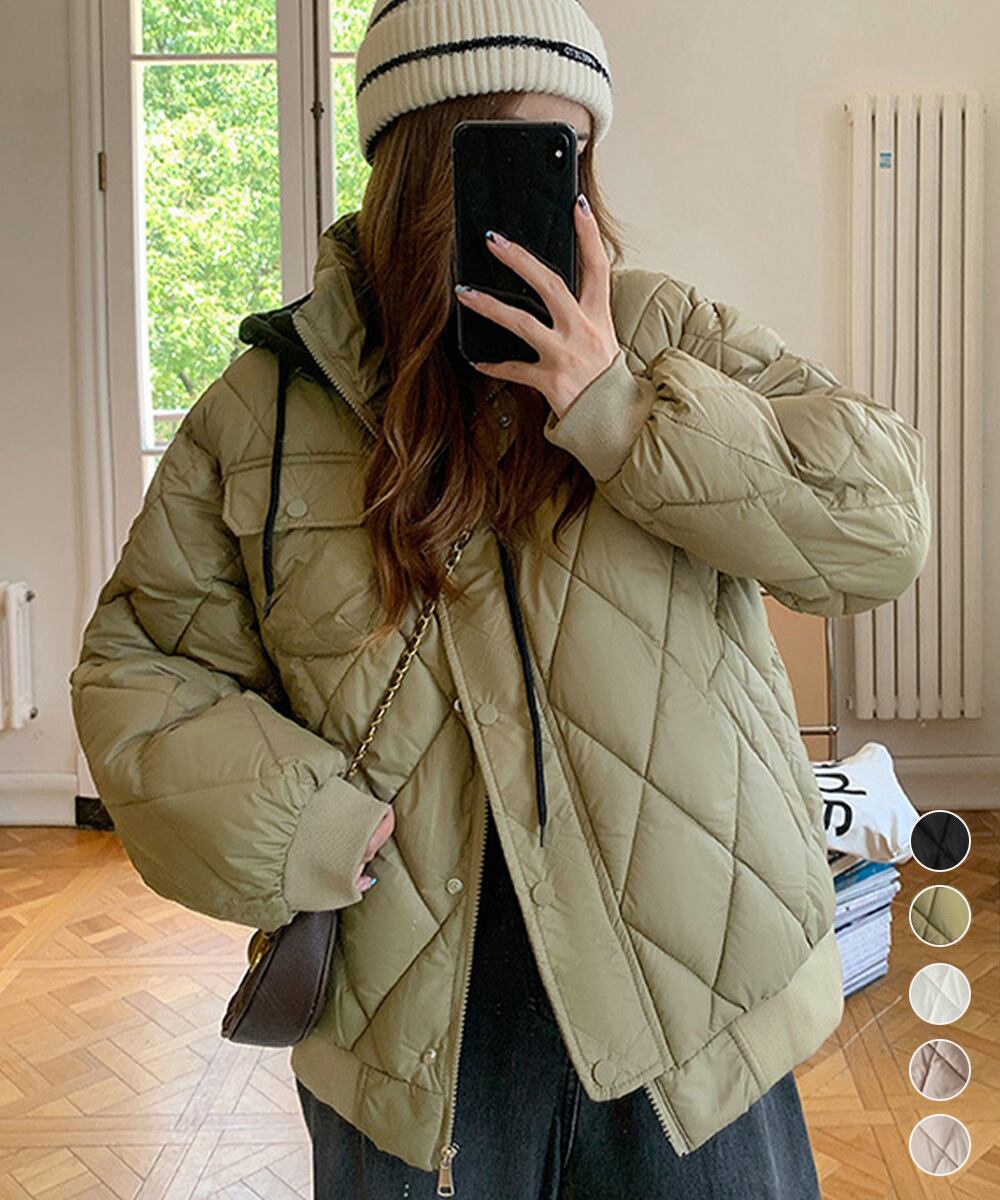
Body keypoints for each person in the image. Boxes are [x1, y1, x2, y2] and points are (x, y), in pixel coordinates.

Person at [69, 1, 931, 1197]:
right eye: (518, 157)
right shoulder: (265, 407)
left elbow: (881, 528)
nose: (558, 203)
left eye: (571, 156)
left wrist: (619, 408)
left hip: (692, 1014)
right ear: (420, 166)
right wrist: (298, 823)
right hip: (410, 1036)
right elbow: (139, 672)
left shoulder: (662, 333)